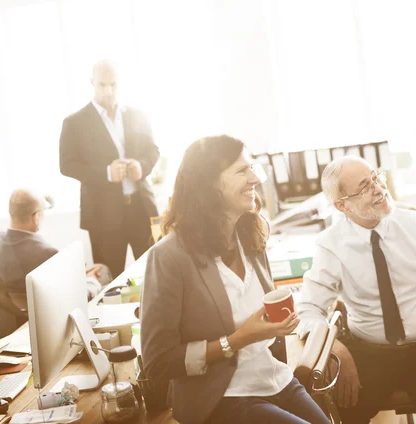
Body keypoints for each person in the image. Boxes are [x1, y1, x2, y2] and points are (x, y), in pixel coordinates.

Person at [141, 135, 330, 424]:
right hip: (220, 397)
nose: (255, 178)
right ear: (208, 185)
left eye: (252, 167)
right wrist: (237, 340)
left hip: (273, 377)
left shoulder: (250, 235)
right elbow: (158, 362)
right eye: (242, 171)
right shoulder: (169, 256)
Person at [297, 156, 416, 424]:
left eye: (375, 177)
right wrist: (337, 347)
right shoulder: (331, 244)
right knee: (344, 412)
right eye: (364, 187)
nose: (379, 188)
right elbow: (308, 308)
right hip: (370, 353)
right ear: (342, 205)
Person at [59, 59, 159, 277]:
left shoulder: (138, 114)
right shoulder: (74, 123)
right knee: (110, 282)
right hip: (103, 218)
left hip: (142, 210)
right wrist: (106, 173)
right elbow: (66, 165)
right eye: (102, 85)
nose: (108, 91)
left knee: (156, 274)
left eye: (113, 85)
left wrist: (141, 167)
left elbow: (153, 151)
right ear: (92, 82)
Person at [0, 189, 111, 309]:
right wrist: (91, 281)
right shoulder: (47, 254)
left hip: (13, 314)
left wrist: (77, 275)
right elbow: (74, 298)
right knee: (102, 274)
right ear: (36, 217)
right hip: (45, 315)